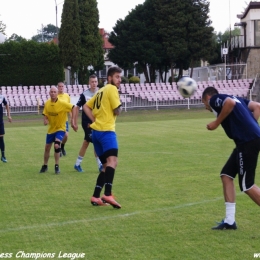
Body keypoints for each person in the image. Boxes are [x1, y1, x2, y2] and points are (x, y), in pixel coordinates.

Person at [202, 86, 260, 230]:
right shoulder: (239, 99)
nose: (206, 107)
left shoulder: (215, 99)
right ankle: (229, 221)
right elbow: (258, 106)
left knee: (247, 185)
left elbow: (229, 103)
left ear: (207, 98)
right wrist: (250, 125)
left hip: (247, 142)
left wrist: (216, 123)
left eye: (204, 103)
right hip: (247, 141)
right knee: (226, 175)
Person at [73, 66, 123, 209]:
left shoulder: (101, 90)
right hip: (107, 131)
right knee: (113, 161)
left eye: (120, 77)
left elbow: (86, 107)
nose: (119, 80)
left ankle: (95, 196)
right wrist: (120, 103)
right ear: (109, 78)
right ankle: (107, 194)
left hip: (96, 134)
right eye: (117, 77)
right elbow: (117, 111)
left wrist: (95, 120)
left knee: (105, 166)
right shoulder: (112, 89)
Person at [40, 86, 75, 174]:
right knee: (47, 148)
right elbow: (45, 113)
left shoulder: (62, 103)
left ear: (57, 93)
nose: (53, 93)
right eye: (51, 92)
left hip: (60, 128)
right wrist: (45, 119)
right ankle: (45, 166)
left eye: (54, 92)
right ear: (49, 93)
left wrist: (73, 119)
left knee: (56, 145)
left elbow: (73, 107)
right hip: (51, 129)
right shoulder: (47, 103)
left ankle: (56, 166)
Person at [73, 75, 102, 173]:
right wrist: (74, 122)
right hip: (87, 122)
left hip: (97, 121)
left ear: (97, 82)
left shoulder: (100, 93)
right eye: (92, 82)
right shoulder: (84, 94)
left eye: (95, 81)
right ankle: (100, 165)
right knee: (95, 141)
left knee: (86, 142)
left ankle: (77, 164)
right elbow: (76, 107)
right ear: (89, 83)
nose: (94, 83)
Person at [57, 82, 71, 157]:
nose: (61, 88)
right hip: (57, 120)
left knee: (66, 136)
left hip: (65, 120)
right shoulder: (55, 96)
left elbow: (69, 108)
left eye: (62, 86)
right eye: (59, 86)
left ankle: (62, 147)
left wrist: (72, 118)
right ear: (58, 87)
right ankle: (58, 150)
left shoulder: (67, 96)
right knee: (58, 136)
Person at [0, 93, 12, 162]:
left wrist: (9, 115)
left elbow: (6, 105)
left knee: (1, 138)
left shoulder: (1, 97)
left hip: (0, 122)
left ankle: (3, 156)